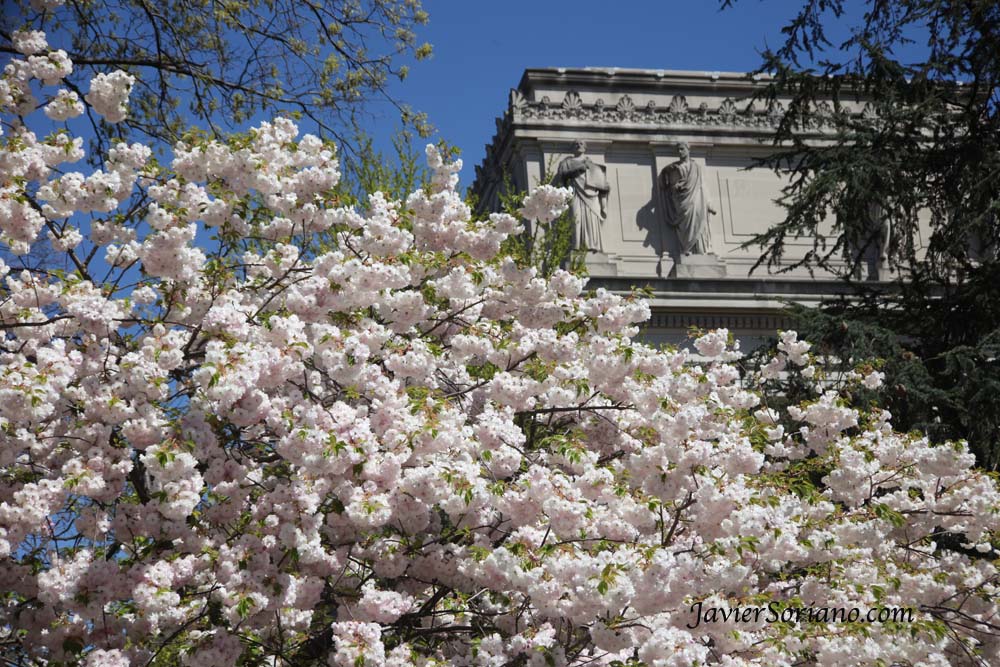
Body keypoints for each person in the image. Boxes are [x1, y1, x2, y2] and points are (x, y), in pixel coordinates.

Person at [553, 140, 611, 252]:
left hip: (592, 195)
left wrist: (605, 187)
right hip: (575, 194)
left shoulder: (592, 165)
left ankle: (593, 245)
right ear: (572, 148)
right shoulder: (567, 162)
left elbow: (601, 184)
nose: (578, 145)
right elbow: (562, 175)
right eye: (576, 144)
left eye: (581, 144)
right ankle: (577, 246)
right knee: (576, 219)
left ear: (585, 147)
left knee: (591, 219)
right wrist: (579, 168)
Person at [660, 141, 716, 255]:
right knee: (685, 226)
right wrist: (675, 186)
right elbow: (666, 184)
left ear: (688, 150)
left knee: (699, 221)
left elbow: (702, 185)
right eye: (678, 150)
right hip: (682, 202)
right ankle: (686, 249)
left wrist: (708, 203)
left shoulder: (696, 167)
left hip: (696, 199)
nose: (679, 152)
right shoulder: (674, 168)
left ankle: (701, 250)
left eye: (682, 149)